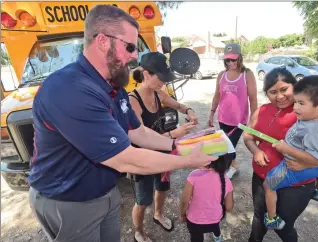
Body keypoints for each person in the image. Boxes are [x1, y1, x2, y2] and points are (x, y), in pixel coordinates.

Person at [28, 5, 216, 242]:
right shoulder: (70, 89)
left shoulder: (114, 88)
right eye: (129, 47)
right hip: (69, 200)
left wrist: (177, 145)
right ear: (103, 42)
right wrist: (187, 161)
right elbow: (125, 158)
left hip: (104, 192)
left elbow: (138, 132)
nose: (135, 56)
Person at [243, 67, 318, 242]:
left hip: (296, 184)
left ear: (294, 86)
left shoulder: (309, 112)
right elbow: (248, 136)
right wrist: (256, 150)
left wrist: (308, 163)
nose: (279, 96)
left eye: (284, 89)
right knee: (259, 218)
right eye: (273, 92)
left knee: (285, 226)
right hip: (261, 177)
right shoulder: (262, 111)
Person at [129, 52, 198, 242]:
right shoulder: (133, 100)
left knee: (162, 188)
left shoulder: (159, 93)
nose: (163, 83)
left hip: (162, 153)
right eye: (160, 79)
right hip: (142, 157)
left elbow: (178, 105)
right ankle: (139, 231)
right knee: (142, 200)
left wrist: (189, 111)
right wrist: (173, 135)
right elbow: (141, 137)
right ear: (146, 75)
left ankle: (158, 214)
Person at [262, 75, 318, 230]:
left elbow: (314, 158)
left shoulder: (311, 130)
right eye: (295, 102)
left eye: (301, 103)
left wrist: (286, 149)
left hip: (294, 167)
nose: (295, 108)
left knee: (268, 184)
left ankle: (272, 218)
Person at [208, 43, 258, 179]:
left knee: (227, 147)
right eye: (227, 60)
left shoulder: (247, 74)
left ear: (239, 58)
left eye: (233, 59)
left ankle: (225, 171)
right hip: (223, 118)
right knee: (227, 145)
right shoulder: (221, 75)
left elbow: (253, 99)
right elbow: (217, 95)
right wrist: (212, 113)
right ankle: (234, 165)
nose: (230, 63)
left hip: (239, 121)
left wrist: (254, 121)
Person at [180, 154, 234, 242]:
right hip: (215, 218)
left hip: (194, 221)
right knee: (215, 227)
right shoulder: (226, 180)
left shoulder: (194, 175)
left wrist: (182, 214)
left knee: (196, 238)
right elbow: (229, 207)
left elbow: (185, 200)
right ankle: (217, 236)